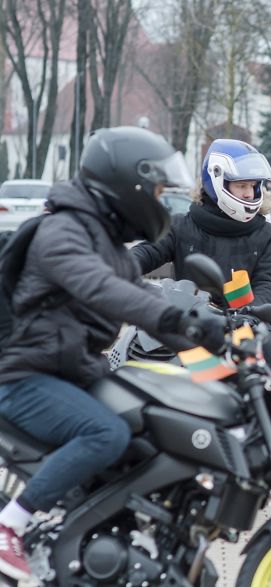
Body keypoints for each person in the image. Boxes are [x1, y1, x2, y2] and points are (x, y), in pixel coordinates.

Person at [0, 127, 227, 580]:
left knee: (149, 426)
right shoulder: (61, 232)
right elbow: (102, 289)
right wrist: (175, 321)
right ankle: (11, 526)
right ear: (129, 185)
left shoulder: (103, 239)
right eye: (159, 191)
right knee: (106, 433)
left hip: (68, 371)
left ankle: (112, 536)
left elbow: (144, 297)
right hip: (22, 376)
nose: (163, 202)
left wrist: (223, 356)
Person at [130, 139, 271, 305]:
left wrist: (250, 314)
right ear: (217, 181)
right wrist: (117, 267)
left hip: (244, 326)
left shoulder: (266, 234)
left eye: (253, 186)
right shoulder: (181, 227)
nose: (249, 194)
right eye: (242, 185)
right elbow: (147, 253)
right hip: (187, 323)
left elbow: (267, 283)